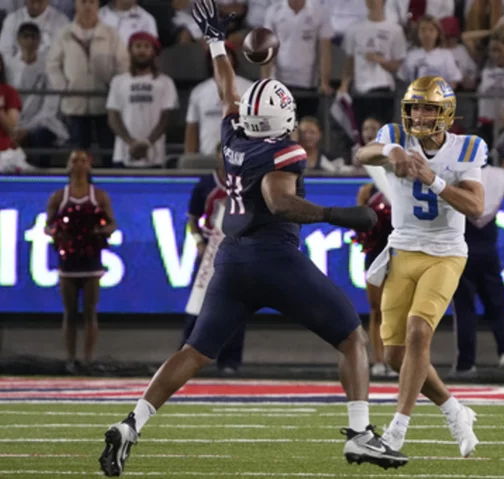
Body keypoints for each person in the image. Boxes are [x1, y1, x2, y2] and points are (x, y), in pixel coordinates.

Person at [98, 1, 406, 476]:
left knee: (194, 352)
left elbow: (225, 88)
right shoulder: (287, 148)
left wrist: (217, 42)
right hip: (274, 259)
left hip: (233, 261)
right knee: (352, 338)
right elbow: (279, 199)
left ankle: (131, 423)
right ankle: (363, 435)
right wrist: (337, 214)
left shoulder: (233, 131)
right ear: (284, 118)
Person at [356, 75, 486, 457]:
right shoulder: (397, 134)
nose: (420, 114)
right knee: (394, 355)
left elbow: (476, 208)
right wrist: (391, 150)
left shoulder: (466, 149)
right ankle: (454, 409)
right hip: (402, 249)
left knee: (418, 333)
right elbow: (364, 154)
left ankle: (396, 432)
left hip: (445, 252)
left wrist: (435, 181)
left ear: (445, 112)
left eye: (428, 107)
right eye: (415, 106)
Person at [451, 146, 504, 377]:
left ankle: (466, 363)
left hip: (462, 244)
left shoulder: (456, 174)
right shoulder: (498, 175)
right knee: (496, 304)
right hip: (487, 247)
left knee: (464, 307)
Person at [44, 150, 116, 373]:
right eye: (74, 160)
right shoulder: (59, 196)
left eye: (83, 160)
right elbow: (48, 225)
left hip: (91, 259)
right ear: (68, 164)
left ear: (90, 165)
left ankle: (88, 359)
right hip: (68, 260)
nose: (78, 164)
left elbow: (112, 224)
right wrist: (60, 233)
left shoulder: (98, 196)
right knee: (70, 311)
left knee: (89, 312)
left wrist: (97, 232)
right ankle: (70, 358)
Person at [182, 141, 245, 374]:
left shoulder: (245, 183)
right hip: (209, 251)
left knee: (237, 307)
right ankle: (185, 355)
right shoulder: (206, 184)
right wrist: (199, 241)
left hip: (236, 252)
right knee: (199, 302)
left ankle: (230, 360)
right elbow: (192, 218)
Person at [354, 182, 394, 377]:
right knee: (377, 310)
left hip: (397, 256)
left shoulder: (399, 186)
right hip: (375, 255)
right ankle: (379, 360)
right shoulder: (367, 191)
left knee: (396, 311)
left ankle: (393, 359)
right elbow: (359, 226)